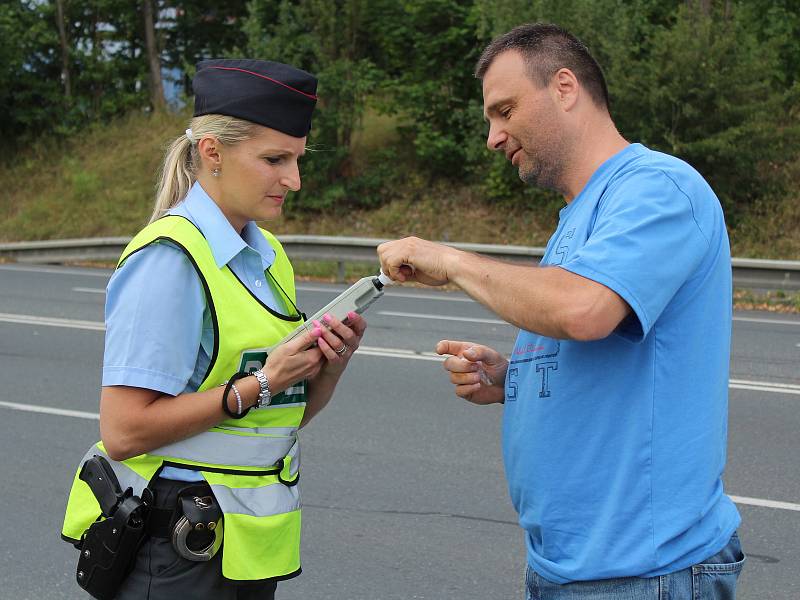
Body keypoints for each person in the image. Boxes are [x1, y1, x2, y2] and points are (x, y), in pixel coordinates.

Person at [377, 23, 744, 600]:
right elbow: (593, 344)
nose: (493, 137)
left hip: (644, 572)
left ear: (565, 86)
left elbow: (582, 311)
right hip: (574, 567)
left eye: (504, 110)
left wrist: (447, 260)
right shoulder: (580, 216)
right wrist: (511, 377)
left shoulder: (658, 188)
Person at [61, 59, 366, 599]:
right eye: (274, 159)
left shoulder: (268, 254)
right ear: (212, 153)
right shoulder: (170, 260)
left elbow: (271, 423)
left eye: (297, 159)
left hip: (244, 554)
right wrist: (263, 384)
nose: (293, 180)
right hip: (175, 554)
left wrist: (324, 371)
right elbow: (125, 431)